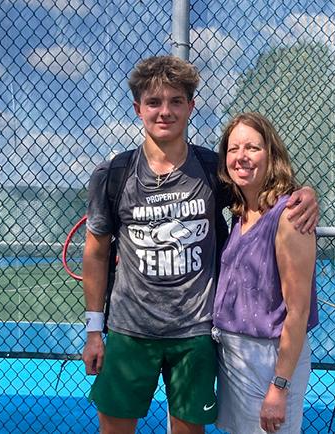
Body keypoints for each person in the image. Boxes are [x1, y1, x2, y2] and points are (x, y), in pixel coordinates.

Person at [82, 56, 319, 434]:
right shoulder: (113, 174)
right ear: (137, 108)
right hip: (129, 331)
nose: (165, 111)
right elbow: (95, 251)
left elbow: (261, 189)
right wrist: (95, 330)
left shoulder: (213, 170)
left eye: (176, 101)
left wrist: (305, 194)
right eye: (154, 102)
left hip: (194, 334)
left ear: (191, 107)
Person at [212, 112, 319, 434]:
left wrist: (279, 386)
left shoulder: (289, 216)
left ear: (271, 154)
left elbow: (297, 311)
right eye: (233, 149)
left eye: (252, 148)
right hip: (234, 356)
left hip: (268, 359)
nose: (241, 157)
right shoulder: (240, 211)